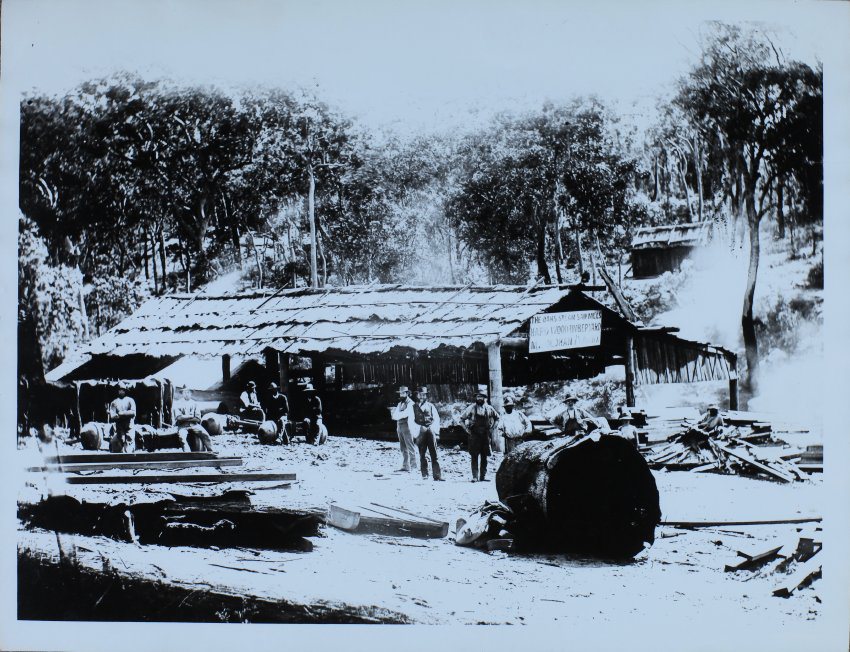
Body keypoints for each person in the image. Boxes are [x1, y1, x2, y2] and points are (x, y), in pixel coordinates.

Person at [461, 389, 499, 482]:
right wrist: (467, 430)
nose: (479, 398)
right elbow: (461, 419)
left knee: (484, 456)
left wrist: (492, 428)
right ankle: (475, 476)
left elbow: (497, 418)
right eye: (478, 397)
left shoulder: (489, 408)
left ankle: (483, 476)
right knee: (474, 455)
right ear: (476, 398)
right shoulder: (471, 408)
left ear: (484, 398)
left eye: (481, 397)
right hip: (474, 435)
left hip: (485, 435)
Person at [412, 387, 442, 481]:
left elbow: (436, 419)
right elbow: (411, 420)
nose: (422, 396)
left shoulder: (431, 406)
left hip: (430, 430)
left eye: (423, 395)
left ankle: (437, 476)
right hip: (420, 431)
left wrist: (435, 431)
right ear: (418, 395)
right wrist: (418, 429)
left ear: (426, 396)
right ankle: (424, 475)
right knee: (422, 454)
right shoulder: (413, 407)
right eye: (420, 394)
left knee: (434, 454)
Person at [173, 385, 213, 452]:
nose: (186, 394)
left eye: (188, 392)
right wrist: (191, 416)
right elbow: (178, 417)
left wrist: (184, 417)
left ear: (191, 393)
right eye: (185, 392)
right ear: (182, 394)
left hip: (194, 425)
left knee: (206, 435)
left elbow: (198, 418)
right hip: (182, 426)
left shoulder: (194, 403)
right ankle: (187, 454)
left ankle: (212, 452)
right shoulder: (178, 404)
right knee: (182, 438)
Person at [389, 385, 417, 472]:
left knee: (410, 446)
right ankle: (405, 466)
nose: (401, 395)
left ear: (407, 393)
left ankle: (414, 467)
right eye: (400, 393)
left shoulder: (411, 403)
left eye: (403, 393)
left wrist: (398, 415)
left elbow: (405, 414)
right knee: (403, 447)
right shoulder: (399, 404)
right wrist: (397, 415)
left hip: (407, 426)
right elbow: (393, 416)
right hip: (399, 426)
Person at [108, 386, 137, 453]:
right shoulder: (114, 402)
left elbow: (133, 412)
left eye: (123, 390)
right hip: (119, 425)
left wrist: (123, 413)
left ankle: (129, 456)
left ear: (125, 391)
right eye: (120, 390)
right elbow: (112, 415)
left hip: (129, 424)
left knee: (129, 441)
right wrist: (118, 416)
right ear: (118, 391)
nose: (121, 391)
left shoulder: (130, 400)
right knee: (121, 440)